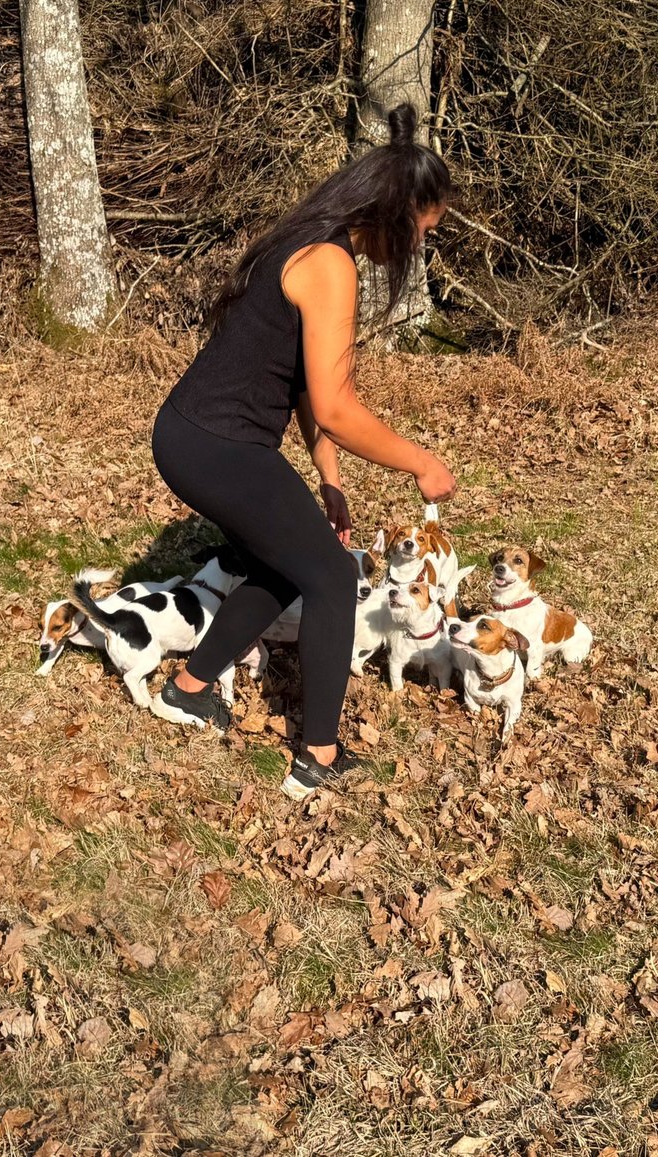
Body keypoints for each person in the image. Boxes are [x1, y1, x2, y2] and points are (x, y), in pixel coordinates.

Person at [148, 103, 458, 799]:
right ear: (394, 214)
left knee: (286, 565)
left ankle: (191, 687)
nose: (415, 251)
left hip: (195, 436)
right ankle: (317, 753)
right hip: (215, 444)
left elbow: (311, 393)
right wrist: (420, 461)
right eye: (421, 234)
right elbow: (342, 408)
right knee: (329, 576)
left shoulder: (309, 242)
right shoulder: (329, 264)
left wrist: (330, 482)